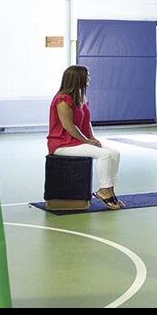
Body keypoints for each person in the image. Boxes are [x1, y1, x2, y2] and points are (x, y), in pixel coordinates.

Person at [47, 65, 125, 210]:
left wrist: (93, 139)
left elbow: (86, 122)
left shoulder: (81, 98)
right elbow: (68, 125)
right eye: (86, 76)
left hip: (77, 141)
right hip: (62, 144)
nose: (89, 78)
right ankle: (104, 191)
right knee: (105, 155)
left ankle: (111, 190)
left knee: (115, 154)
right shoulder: (62, 99)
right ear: (77, 79)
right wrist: (87, 141)